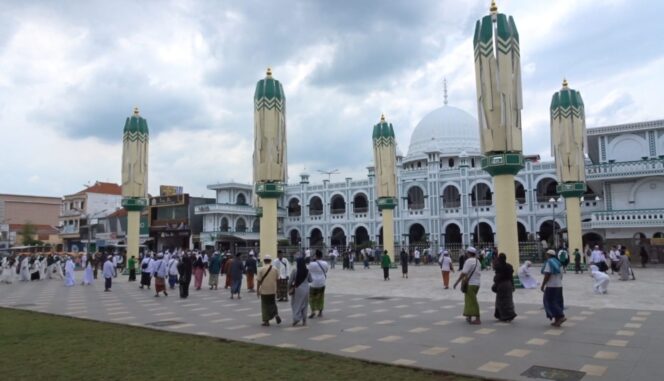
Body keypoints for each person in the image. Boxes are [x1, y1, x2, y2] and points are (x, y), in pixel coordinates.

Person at [453, 247, 481, 325]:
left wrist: (456, 282)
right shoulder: (477, 261)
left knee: (472, 301)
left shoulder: (468, 261)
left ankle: (477, 318)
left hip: (470, 284)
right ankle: (469, 316)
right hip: (477, 284)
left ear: (469, 253)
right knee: (469, 300)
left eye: (467, 252)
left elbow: (463, 273)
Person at [541, 249, 566, 327]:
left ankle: (561, 316)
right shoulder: (559, 263)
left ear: (548, 255)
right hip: (559, 285)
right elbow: (561, 275)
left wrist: (543, 285)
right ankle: (557, 320)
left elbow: (547, 275)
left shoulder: (549, 262)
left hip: (551, 286)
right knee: (557, 302)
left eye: (546, 254)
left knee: (549, 302)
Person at [257, 255, 281, 326]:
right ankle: (275, 314)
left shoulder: (261, 269)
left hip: (264, 290)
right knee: (272, 303)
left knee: (264, 305)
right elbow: (278, 280)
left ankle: (266, 321)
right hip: (273, 289)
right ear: (270, 261)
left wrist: (257, 290)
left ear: (264, 261)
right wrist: (278, 289)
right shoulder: (275, 269)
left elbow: (258, 281)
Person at [493, 253, 517, 322]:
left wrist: (495, 282)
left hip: (501, 285)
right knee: (509, 300)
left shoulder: (498, 266)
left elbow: (497, 277)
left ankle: (502, 315)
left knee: (500, 301)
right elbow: (511, 277)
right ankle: (510, 314)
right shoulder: (509, 266)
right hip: (508, 284)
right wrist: (513, 285)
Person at [289, 257, 312, 326]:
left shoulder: (295, 270)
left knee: (296, 304)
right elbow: (310, 280)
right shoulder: (307, 270)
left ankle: (296, 319)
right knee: (305, 305)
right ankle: (304, 320)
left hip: (297, 289)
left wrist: (289, 288)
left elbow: (290, 281)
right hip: (306, 289)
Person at [307, 250, 328, 319]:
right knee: (321, 297)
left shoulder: (311, 264)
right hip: (322, 282)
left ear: (315, 256)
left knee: (312, 298)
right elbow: (326, 270)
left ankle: (313, 311)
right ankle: (320, 312)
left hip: (313, 283)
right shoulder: (325, 263)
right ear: (321, 256)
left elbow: (309, 271)